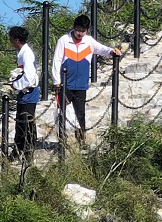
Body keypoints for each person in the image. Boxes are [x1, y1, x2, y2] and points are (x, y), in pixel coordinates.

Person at [52, 15, 121, 144]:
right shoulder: (64, 40)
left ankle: (81, 139)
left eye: (83, 30)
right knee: (63, 112)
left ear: (87, 30)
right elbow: (56, 60)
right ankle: (62, 140)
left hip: (81, 84)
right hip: (65, 84)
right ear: (74, 28)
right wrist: (56, 80)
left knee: (80, 113)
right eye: (78, 30)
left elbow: (101, 49)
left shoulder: (89, 41)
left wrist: (111, 51)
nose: (80, 33)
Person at [6, 26, 38, 161]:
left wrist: (15, 85)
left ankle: (27, 152)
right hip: (24, 93)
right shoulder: (21, 53)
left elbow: (29, 76)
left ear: (16, 39)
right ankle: (19, 150)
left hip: (28, 93)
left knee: (26, 123)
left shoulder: (26, 54)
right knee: (21, 122)